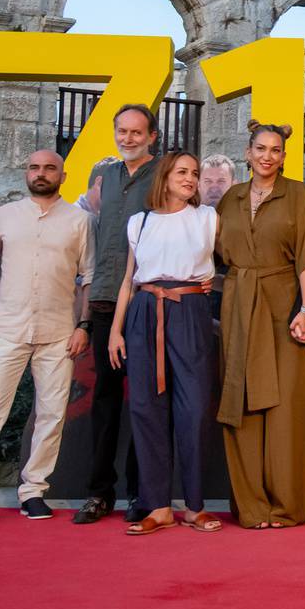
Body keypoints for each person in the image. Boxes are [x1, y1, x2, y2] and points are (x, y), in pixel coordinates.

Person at [0, 149, 93, 527]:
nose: (41, 173)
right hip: (8, 329)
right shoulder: (5, 216)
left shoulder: (80, 221)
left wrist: (84, 325)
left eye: (49, 168)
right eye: (34, 167)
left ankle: (33, 491)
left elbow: (89, 278)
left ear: (63, 175)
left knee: (51, 415)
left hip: (59, 331)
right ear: (26, 173)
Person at [107, 151, 223, 536]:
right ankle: (157, 506)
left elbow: (229, 267)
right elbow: (129, 279)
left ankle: (194, 506)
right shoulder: (139, 222)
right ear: (165, 177)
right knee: (146, 407)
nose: (190, 179)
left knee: (194, 410)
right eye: (182, 172)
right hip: (144, 310)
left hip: (190, 308)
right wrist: (115, 330)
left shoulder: (207, 218)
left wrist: (208, 286)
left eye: (194, 173)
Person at [216, 121, 305, 528]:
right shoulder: (230, 198)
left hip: (284, 308)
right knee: (242, 404)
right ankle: (252, 506)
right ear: (247, 153)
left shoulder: (297, 194)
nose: (267, 156)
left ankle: (289, 506)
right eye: (260, 148)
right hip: (238, 305)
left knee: (286, 406)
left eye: (275, 150)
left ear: (283, 155)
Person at [74, 104, 159, 525]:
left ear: (152, 136)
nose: (128, 138)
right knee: (105, 402)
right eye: (121, 131)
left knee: (143, 403)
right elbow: (88, 234)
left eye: (136, 132)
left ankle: (138, 493)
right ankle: (98, 493)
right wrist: (84, 311)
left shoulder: (163, 176)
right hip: (106, 299)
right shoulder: (102, 176)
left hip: (146, 301)